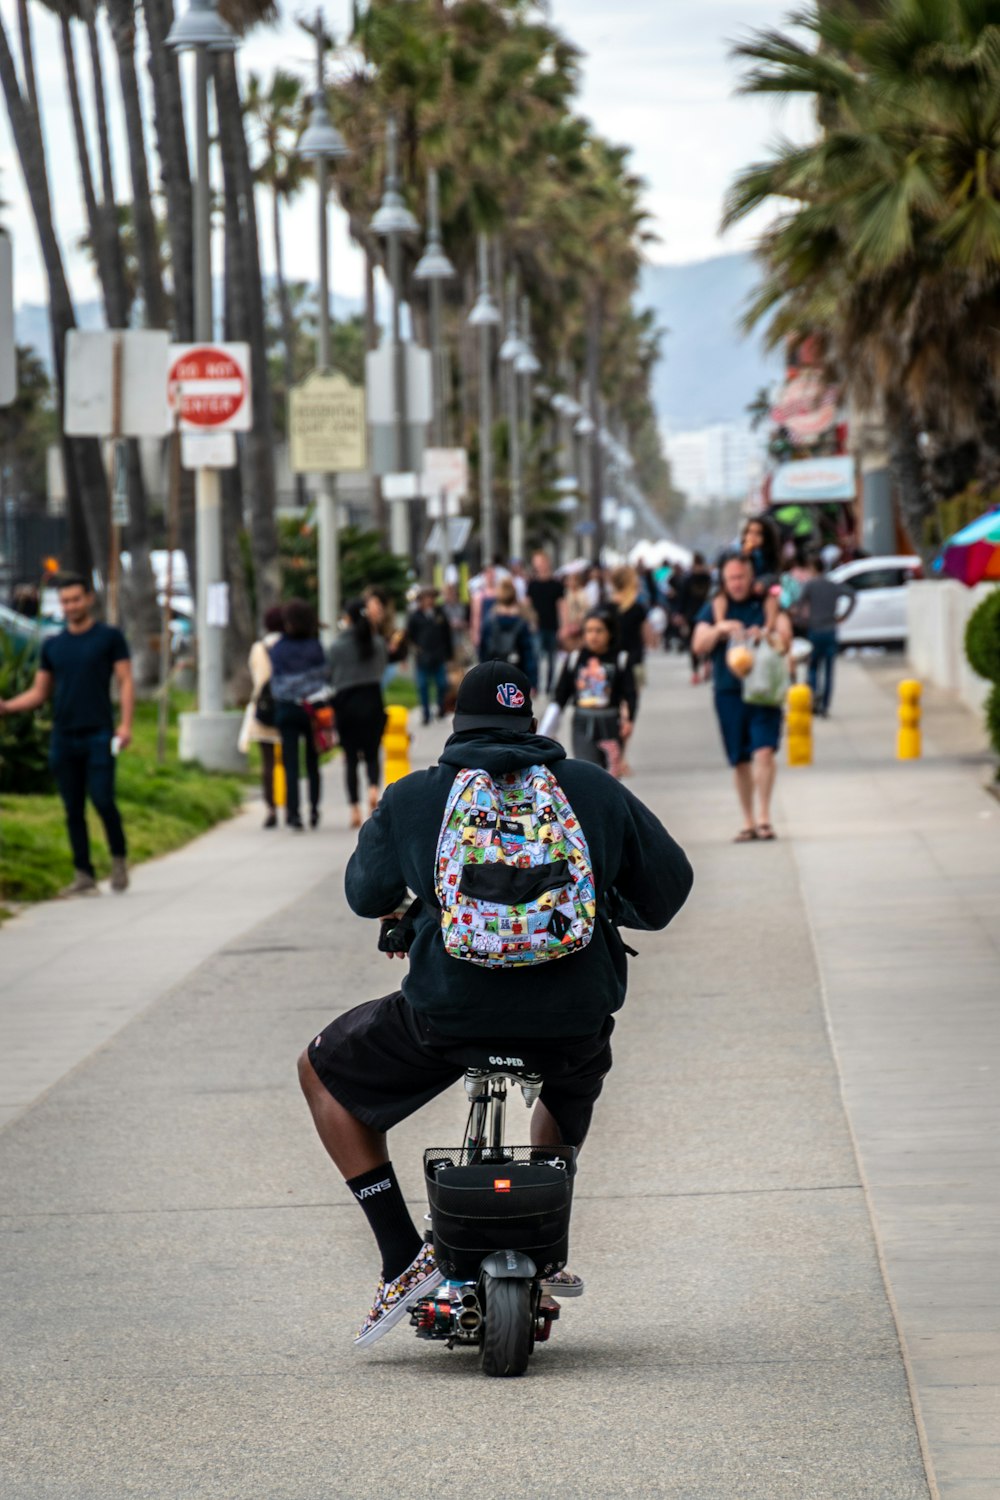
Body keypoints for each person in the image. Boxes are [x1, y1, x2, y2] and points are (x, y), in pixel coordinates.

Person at [297, 659, 693, 1347]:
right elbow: (668, 891)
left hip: (448, 1016)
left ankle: (402, 1256)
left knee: (321, 1071)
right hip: (570, 1016)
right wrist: (600, 909)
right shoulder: (591, 789)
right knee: (574, 1072)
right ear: (531, 720)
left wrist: (421, 910)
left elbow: (364, 894)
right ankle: (545, 1244)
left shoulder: (418, 795)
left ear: (457, 724)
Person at [0, 573, 133, 894]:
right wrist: (7, 707)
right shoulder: (53, 645)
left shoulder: (109, 637)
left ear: (88, 599)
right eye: (65, 601)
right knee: (72, 807)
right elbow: (39, 692)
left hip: (99, 734)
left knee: (102, 799)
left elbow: (125, 681)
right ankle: (83, 874)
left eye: (75, 599)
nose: (71, 606)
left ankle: (118, 859)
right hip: (63, 735)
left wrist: (125, 725)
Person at [692, 553, 793, 843]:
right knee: (740, 759)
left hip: (764, 690)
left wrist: (765, 633)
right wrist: (719, 629)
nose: (736, 583)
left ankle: (764, 817)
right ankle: (747, 820)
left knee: (764, 751)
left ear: (751, 577)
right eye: (731, 578)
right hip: (728, 691)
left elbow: (786, 635)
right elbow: (698, 644)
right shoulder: (715, 608)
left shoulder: (767, 604)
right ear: (723, 581)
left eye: (741, 577)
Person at [329, 598, 405, 829]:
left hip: (345, 703)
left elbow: (329, 674)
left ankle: (354, 807)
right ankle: (373, 788)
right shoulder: (377, 643)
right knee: (372, 753)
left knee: (350, 759)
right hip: (372, 700)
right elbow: (382, 669)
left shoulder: (336, 646)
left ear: (347, 618)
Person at [544, 610, 636, 777]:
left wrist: (629, 720)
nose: (593, 636)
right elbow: (561, 694)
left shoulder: (620, 659)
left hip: (610, 723)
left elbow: (630, 694)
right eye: (589, 631)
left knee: (611, 775)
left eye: (599, 631)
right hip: (582, 721)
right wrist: (550, 725)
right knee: (587, 770)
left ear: (610, 633)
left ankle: (609, 802)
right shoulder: (576, 658)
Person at [269, 600, 329, 832]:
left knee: (290, 764)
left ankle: (293, 813)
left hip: (286, 709)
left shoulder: (278, 648)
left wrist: (291, 689)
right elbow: (323, 677)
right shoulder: (315, 647)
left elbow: (276, 684)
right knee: (313, 763)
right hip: (312, 710)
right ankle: (314, 808)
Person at [797, 554, 856, 717]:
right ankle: (825, 705)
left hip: (815, 630)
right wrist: (844, 616)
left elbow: (800, 604)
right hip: (830, 630)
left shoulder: (810, 585)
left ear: (813, 569)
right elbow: (852, 595)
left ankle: (814, 697)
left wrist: (801, 619)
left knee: (813, 667)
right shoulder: (833, 585)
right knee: (829, 670)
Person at [243, 605, 284, 829]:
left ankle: (271, 808)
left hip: (263, 708)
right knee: (287, 761)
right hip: (286, 705)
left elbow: (255, 675)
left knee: (268, 762)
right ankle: (291, 804)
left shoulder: (258, 648)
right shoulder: (288, 645)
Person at [406, 587, 454, 725]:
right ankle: (426, 713)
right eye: (426, 598)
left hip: (438, 655)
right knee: (422, 685)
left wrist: (449, 655)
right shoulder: (415, 616)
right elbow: (410, 636)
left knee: (442, 684)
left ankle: (441, 708)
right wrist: (415, 649)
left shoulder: (440, 614)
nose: (429, 601)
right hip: (423, 657)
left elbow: (447, 635)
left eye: (431, 598)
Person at [479, 577, 538, 686]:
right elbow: (528, 654)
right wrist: (532, 681)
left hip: (493, 673)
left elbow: (483, 649)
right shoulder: (521, 622)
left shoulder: (489, 621)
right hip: (516, 672)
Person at [526, 551, 565, 694]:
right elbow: (528, 605)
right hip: (537, 626)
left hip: (552, 625)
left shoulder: (556, 584)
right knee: (535, 657)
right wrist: (530, 621)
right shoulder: (532, 584)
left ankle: (549, 687)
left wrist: (563, 626)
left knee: (552, 659)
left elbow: (562, 606)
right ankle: (535, 685)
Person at [671, 554, 713, 684]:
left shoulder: (688, 579)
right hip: (708, 613)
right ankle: (706, 662)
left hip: (692, 615)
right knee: (708, 640)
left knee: (693, 643)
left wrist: (679, 613)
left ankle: (695, 672)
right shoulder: (709, 578)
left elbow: (682, 598)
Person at [608, 566, 651, 685]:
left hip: (611, 658)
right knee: (632, 697)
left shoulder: (606, 608)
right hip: (635, 658)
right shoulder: (638, 608)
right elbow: (649, 637)